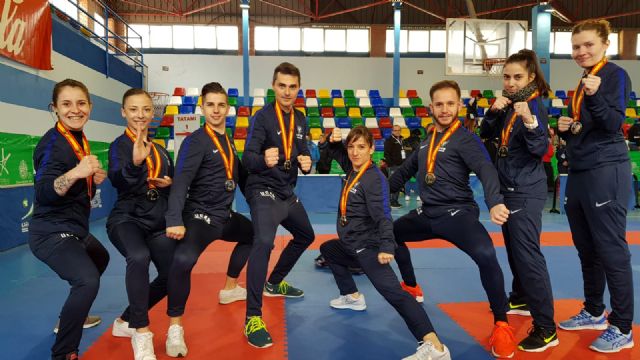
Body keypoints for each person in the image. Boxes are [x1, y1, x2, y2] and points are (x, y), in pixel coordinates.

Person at [389, 80, 516, 359]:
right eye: (439, 104)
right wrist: (373, 195)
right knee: (392, 233)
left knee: (486, 254)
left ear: (459, 105)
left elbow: (485, 169)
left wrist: (495, 202)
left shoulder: (466, 139)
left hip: (457, 215)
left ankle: (502, 324)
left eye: (450, 104)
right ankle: (411, 285)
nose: (444, 110)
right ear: (430, 107)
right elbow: (402, 172)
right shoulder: (427, 140)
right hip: (427, 213)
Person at [321, 126, 451, 360]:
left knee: (395, 295)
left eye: (361, 147)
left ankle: (436, 347)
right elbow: (335, 152)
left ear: (372, 149)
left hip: (369, 247)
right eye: (351, 147)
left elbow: (383, 215)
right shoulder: (352, 169)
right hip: (350, 245)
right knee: (329, 249)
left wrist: (386, 246)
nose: (355, 152)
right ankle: (352, 296)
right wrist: (330, 141)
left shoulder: (374, 179)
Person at [557, 19, 634, 353]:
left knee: (610, 250)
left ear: (605, 44)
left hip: (606, 169)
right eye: (576, 47)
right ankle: (593, 311)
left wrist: (594, 94)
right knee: (586, 247)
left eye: (588, 45)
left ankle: (622, 325)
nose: (581, 51)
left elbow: (615, 123)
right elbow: (590, 125)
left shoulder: (614, 75)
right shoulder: (584, 80)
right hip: (581, 169)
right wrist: (568, 127)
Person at [164, 82, 254, 357]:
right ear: (202, 107)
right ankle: (174, 329)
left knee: (253, 233)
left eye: (221, 105)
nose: (216, 110)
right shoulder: (196, 141)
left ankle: (229, 287)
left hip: (224, 216)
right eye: (210, 104)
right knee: (183, 261)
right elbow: (181, 182)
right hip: (200, 217)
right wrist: (173, 219)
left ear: (228, 109)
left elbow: (240, 177)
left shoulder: (228, 141)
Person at [480, 49, 558, 353]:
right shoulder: (509, 104)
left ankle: (547, 328)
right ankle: (522, 296)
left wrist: (529, 122)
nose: (510, 82)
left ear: (531, 78)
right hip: (508, 188)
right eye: (507, 76)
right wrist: (493, 112)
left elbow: (540, 148)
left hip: (526, 190)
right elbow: (486, 134)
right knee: (514, 250)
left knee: (528, 257)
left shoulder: (534, 106)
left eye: (517, 77)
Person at [30, 79, 110, 360]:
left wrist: (91, 178)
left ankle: (71, 316)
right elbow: (44, 191)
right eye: (66, 104)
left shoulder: (76, 138)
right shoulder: (52, 145)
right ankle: (64, 352)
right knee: (87, 280)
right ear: (55, 108)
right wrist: (77, 173)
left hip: (73, 228)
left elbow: (76, 186)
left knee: (100, 259)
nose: (75, 110)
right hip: (50, 232)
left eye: (81, 103)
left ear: (90, 106)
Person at [242, 62, 314, 348]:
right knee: (263, 241)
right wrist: (263, 160)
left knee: (306, 235)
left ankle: (274, 282)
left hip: (286, 191)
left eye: (292, 86)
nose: (287, 91)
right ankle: (252, 317)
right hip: (262, 188)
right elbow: (248, 159)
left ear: (298, 88)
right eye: (282, 85)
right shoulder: (262, 118)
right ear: (274, 86)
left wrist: (307, 163)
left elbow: (304, 152)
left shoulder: (301, 119)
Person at [106, 88, 176, 360]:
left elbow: (171, 186)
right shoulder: (118, 146)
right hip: (127, 218)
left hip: (156, 221)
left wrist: (169, 185)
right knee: (138, 256)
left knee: (173, 275)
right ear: (124, 112)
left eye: (146, 109)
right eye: (133, 109)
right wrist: (135, 164)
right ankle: (141, 331)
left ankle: (125, 321)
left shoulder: (160, 150)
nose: (140, 115)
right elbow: (118, 180)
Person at [384, 124, 406, 208]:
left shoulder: (401, 139)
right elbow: (386, 154)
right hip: (393, 166)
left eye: (399, 130)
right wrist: (391, 164)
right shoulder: (389, 141)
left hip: (401, 165)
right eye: (395, 130)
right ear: (392, 131)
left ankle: (395, 200)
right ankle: (391, 201)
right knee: (393, 183)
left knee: (398, 184)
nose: (397, 132)